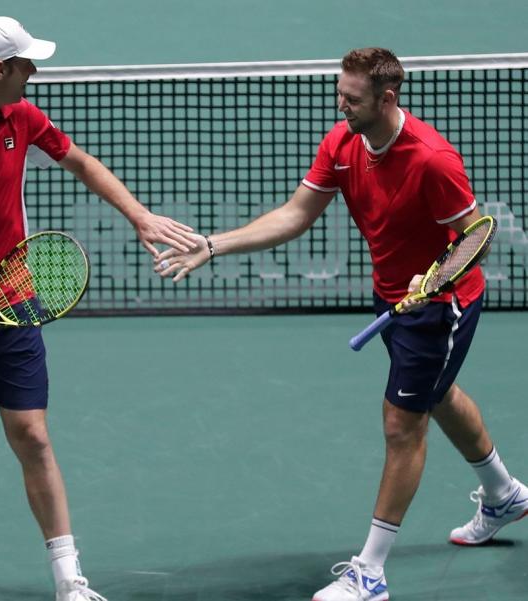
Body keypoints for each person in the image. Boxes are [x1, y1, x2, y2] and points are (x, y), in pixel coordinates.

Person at [153, 47, 528, 601]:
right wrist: (214, 245)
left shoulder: (432, 159)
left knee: (403, 422)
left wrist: (436, 280)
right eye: (339, 94)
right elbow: (296, 214)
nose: (341, 106)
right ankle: (505, 496)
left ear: (386, 98)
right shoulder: (344, 142)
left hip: (438, 305)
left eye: (351, 99)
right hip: (392, 297)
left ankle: (370, 572)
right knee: (437, 395)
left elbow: (475, 235)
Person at [0, 16, 196, 601]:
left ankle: (69, 580)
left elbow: (79, 161)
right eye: (26, 64)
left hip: (12, 297)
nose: (34, 72)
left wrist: (139, 215)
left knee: (33, 435)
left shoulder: (19, 117)